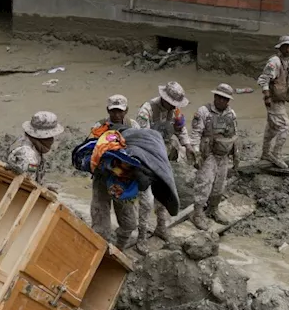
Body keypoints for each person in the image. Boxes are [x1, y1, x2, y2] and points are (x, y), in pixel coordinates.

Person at [135, 82, 195, 241]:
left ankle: (161, 227)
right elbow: (142, 138)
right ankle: (141, 235)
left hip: (164, 157)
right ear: (164, 98)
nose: (173, 107)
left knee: (164, 193)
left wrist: (187, 146)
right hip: (147, 158)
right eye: (172, 103)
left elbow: (181, 129)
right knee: (146, 201)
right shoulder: (146, 110)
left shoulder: (174, 111)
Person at [89, 95, 140, 248]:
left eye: (120, 111)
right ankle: (100, 253)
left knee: (129, 222)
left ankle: (120, 247)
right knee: (100, 226)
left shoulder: (134, 126)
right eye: (113, 111)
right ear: (108, 110)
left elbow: (141, 149)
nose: (117, 115)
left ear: (126, 111)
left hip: (124, 180)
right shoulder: (99, 126)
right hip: (103, 178)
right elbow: (90, 149)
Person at [191, 83, 240, 230]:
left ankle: (213, 209)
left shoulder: (231, 114)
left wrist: (236, 156)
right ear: (215, 96)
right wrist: (195, 154)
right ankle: (198, 213)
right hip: (209, 154)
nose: (221, 101)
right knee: (204, 183)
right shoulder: (203, 112)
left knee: (220, 184)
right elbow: (195, 134)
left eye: (225, 99)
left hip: (223, 154)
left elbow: (235, 135)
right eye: (219, 97)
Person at [258, 35, 289, 169]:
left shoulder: (286, 63)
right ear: (282, 48)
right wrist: (267, 97)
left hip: (279, 100)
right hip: (273, 101)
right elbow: (263, 80)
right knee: (285, 126)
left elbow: (286, 82)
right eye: (288, 47)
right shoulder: (274, 62)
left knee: (271, 128)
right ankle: (276, 154)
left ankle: (265, 153)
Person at [7, 111, 64, 185]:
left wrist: (44, 186)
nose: (51, 140)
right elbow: (27, 183)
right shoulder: (28, 156)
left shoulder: (29, 142)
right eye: (49, 137)